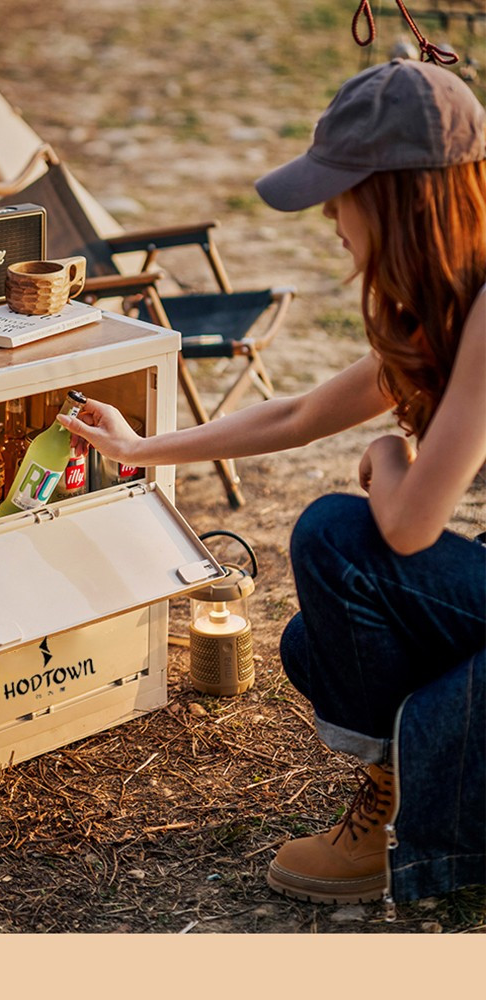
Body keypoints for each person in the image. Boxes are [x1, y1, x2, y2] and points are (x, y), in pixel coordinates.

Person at [59, 58, 486, 907]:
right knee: (309, 646)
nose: (330, 214)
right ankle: (404, 780)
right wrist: (145, 448)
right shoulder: (450, 304)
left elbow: (407, 527)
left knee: (335, 534)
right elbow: (294, 415)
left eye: (341, 192)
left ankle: (407, 813)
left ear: (399, 197)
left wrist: (387, 458)